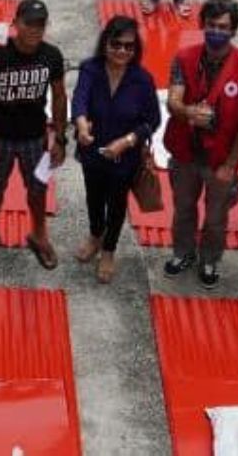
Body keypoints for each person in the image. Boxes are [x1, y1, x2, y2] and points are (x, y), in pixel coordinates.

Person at [160, 0, 238, 286]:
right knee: (183, 209)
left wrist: (232, 164)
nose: (216, 31)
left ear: (233, 30)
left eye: (223, 26)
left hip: (221, 158)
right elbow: (173, 100)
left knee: (217, 216)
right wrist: (187, 111)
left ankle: (210, 260)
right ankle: (183, 252)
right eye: (211, 25)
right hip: (185, 152)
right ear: (202, 25)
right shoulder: (184, 58)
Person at [0, 0, 69, 270]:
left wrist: (60, 137)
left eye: (41, 24)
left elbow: (59, 96)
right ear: (15, 24)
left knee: (38, 190)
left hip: (36, 139)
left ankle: (39, 235)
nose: (35, 29)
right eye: (29, 23)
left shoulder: (52, 55)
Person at [70, 16, 159, 284]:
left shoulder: (143, 80)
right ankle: (95, 235)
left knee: (117, 203)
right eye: (116, 44)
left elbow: (152, 120)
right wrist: (82, 123)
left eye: (128, 47)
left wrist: (129, 140)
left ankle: (109, 250)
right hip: (92, 150)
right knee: (93, 197)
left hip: (125, 157)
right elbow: (79, 99)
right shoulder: (90, 69)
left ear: (136, 49)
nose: (121, 51)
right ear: (105, 43)